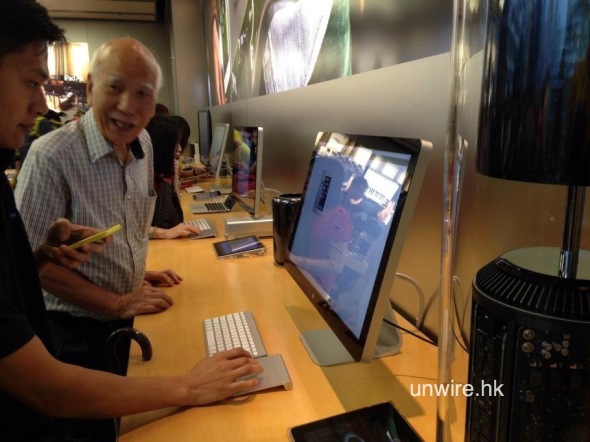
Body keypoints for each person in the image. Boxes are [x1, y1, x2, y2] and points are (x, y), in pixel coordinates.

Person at [0, 1, 262, 440]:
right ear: (89, 87)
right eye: (115, 87)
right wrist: (119, 303)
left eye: (143, 93)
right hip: (75, 337)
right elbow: (34, 280)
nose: (128, 105)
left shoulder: (140, 143)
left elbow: (36, 257)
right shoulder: (51, 156)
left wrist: (137, 269)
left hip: (126, 320)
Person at [146, 113, 201, 236]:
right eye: (175, 143)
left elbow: (176, 217)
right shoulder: (146, 178)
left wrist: (174, 180)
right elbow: (132, 227)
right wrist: (165, 233)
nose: (180, 149)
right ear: (162, 145)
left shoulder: (162, 175)